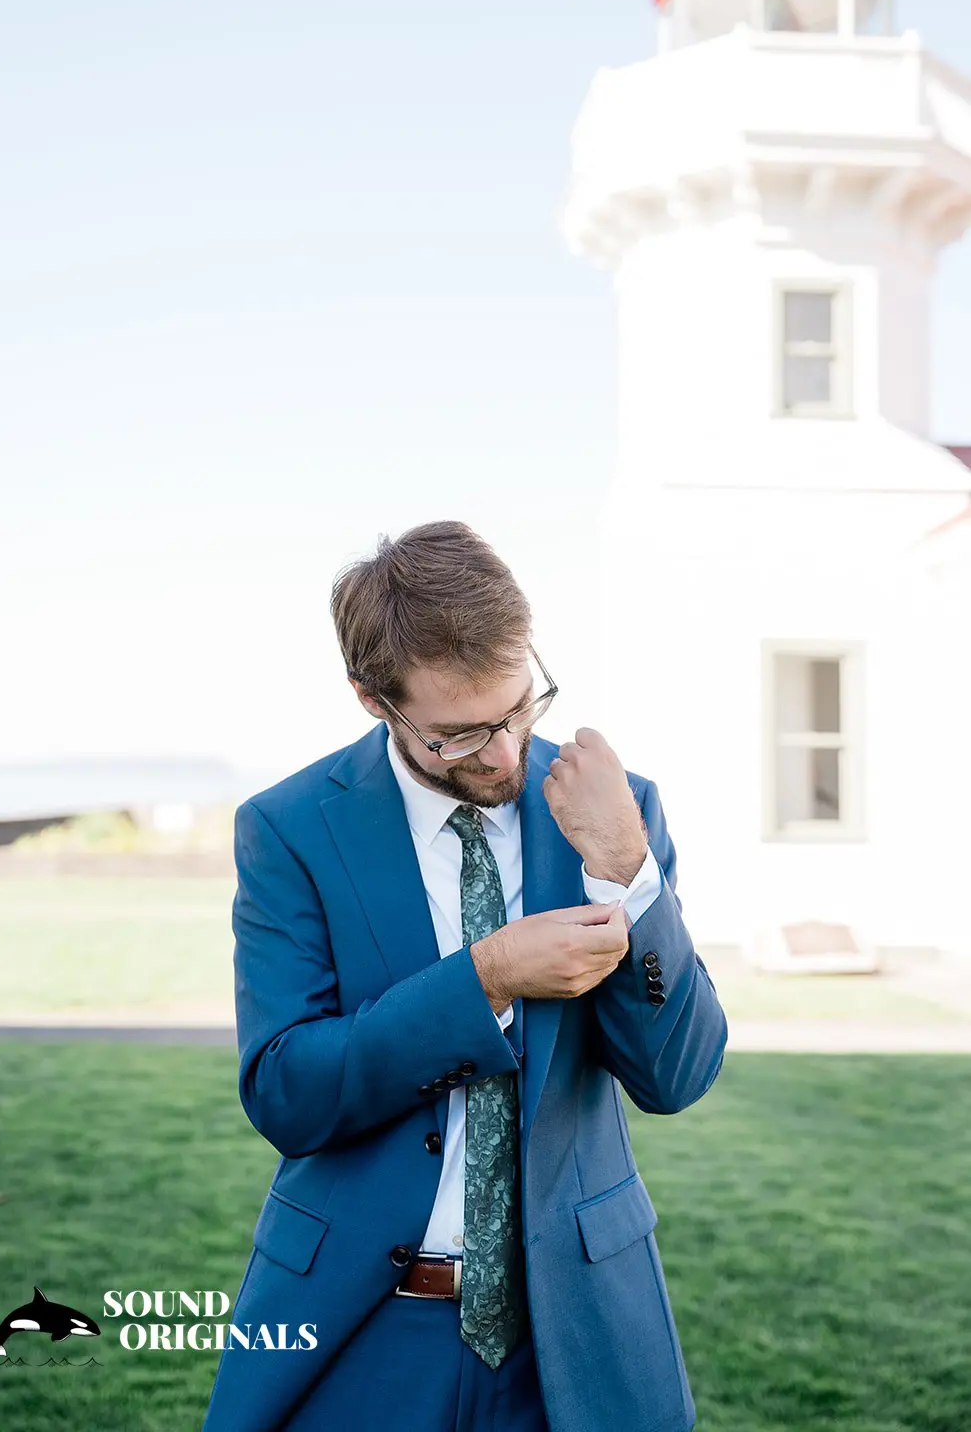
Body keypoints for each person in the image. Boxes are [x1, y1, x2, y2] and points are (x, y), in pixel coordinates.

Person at [202, 520, 728, 1432]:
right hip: (362, 1327)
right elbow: (287, 1094)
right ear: (373, 699)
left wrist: (625, 866)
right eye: (459, 735)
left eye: (520, 708)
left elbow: (675, 1076)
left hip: (575, 1332)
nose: (505, 752)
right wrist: (484, 979)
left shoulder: (618, 807)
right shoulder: (289, 828)